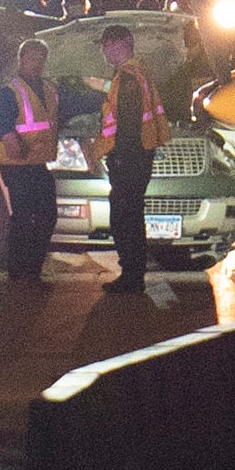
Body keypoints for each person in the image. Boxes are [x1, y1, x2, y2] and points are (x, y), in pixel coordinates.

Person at [95, 20, 170, 293]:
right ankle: (133, 273)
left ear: (117, 45)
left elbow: (127, 123)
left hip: (128, 157)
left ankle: (131, 275)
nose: (104, 52)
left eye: (106, 46)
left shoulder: (127, 77)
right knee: (132, 214)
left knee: (125, 217)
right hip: (141, 154)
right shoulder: (139, 72)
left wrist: (117, 157)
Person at [0, 37, 61, 282]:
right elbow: (3, 125)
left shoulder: (49, 89)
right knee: (24, 217)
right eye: (32, 59)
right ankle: (20, 272)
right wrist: (13, 144)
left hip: (37, 164)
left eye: (41, 59)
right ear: (21, 60)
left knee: (46, 215)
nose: (37, 64)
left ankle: (31, 271)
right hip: (17, 166)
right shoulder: (11, 91)